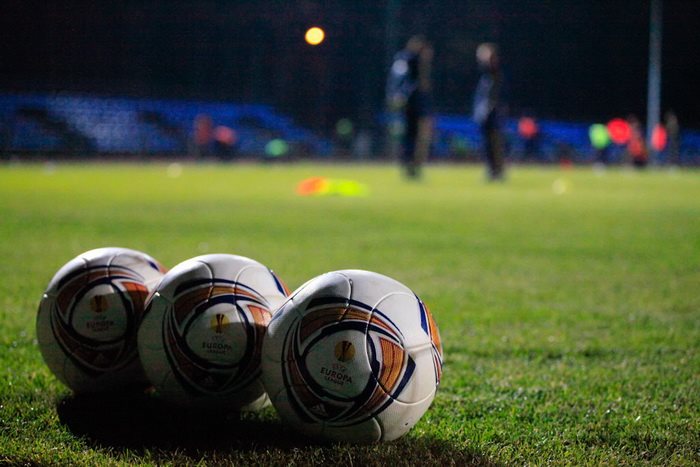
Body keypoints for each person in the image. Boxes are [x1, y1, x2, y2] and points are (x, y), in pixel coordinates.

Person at [386, 35, 434, 178]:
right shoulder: (409, 61)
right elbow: (401, 80)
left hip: (414, 104)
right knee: (414, 136)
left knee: (412, 136)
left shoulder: (407, 61)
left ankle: (411, 164)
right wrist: (400, 94)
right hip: (413, 105)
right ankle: (410, 164)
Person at [473, 42, 506, 181]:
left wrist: (486, 109)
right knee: (488, 143)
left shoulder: (494, 72)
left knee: (494, 142)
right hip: (486, 113)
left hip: (492, 113)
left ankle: (497, 171)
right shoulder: (486, 74)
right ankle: (492, 170)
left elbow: (492, 95)